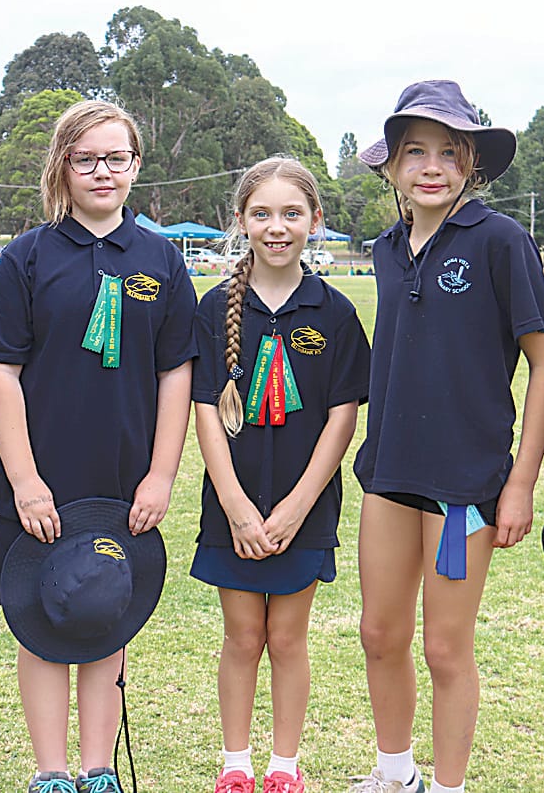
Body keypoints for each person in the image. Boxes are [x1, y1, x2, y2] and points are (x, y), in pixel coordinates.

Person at [0, 99, 197, 793]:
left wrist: (159, 475)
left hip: (122, 476)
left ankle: (98, 770)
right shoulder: (27, 257)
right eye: (86, 158)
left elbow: (175, 373)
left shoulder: (162, 261)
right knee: (39, 620)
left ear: (135, 166)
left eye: (116, 158)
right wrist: (25, 479)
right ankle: (51, 773)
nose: (102, 171)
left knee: (105, 614)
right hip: (39, 474)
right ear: (63, 165)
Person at [348, 81, 544, 793]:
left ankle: (449, 786)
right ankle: (395, 773)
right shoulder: (383, 247)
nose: (431, 166)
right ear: (390, 167)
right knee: (379, 635)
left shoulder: (501, 240)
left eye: (448, 151)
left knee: (444, 648)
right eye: (415, 152)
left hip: (465, 487)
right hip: (387, 473)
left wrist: (521, 481)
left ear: (471, 164)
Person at [191, 157, 370, 793]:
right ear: (241, 222)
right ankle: (236, 763)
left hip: (306, 508)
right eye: (262, 214)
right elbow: (206, 411)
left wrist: (295, 507)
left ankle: (283, 767)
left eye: (291, 214)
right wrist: (237, 505)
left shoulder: (336, 312)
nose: (276, 227)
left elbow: (341, 420)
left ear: (315, 222)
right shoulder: (214, 309)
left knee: (288, 638)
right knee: (241, 636)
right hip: (232, 508)